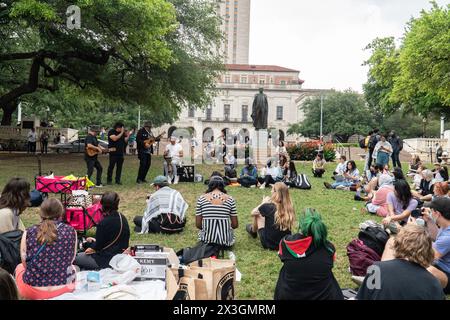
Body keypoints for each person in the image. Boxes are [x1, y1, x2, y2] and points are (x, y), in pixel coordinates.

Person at [357, 224, 444, 300]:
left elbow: (364, 297)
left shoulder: (377, 268)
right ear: (428, 250)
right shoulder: (434, 283)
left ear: (398, 243)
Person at [274, 209, 344, 300]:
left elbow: (281, 256)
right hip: (324, 296)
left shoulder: (285, 242)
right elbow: (331, 262)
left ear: (300, 225)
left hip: (289, 295)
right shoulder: (329, 248)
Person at [15, 198, 77, 300]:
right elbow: (71, 259)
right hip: (65, 288)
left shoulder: (29, 232)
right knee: (72, 267)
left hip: (32, 290)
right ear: (61, 213)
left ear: (41, 213)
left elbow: (25, 262)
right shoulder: (71, 231)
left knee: (19, 267)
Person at [74, 192, 130, 270]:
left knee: (74, 258)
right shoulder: (122, 218)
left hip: (106, 260)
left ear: (102, 204)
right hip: (121, 256)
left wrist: (87, 244)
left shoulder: (103, 223)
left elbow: (97, 247)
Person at [246, 182, 295, 250]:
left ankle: (253, 231)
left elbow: (252, 212)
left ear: (276, 193)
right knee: (263, 213)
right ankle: (252, 230)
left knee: (258, 214)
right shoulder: (289, 207)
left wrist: (263, 203)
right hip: (284, 243)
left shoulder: (268, 207)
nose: (271, 191)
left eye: (272, 189)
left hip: (269, 244)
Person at [196, 176, 238, 249]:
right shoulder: (230, 199)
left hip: (206, 242)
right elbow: (235, 225)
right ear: (223, 186)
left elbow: (198, 225)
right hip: (225, 242)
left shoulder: (201, 199)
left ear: (209, 185)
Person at [421, 198, 450, 294]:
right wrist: (429, 220)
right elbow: (436, 238)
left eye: (431, 211)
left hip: (446, 274)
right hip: (440, 265)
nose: (430, 213)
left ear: (437, 213)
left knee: (422, 268)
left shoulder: (447, 237)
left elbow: (429, 257)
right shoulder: (445, 225)